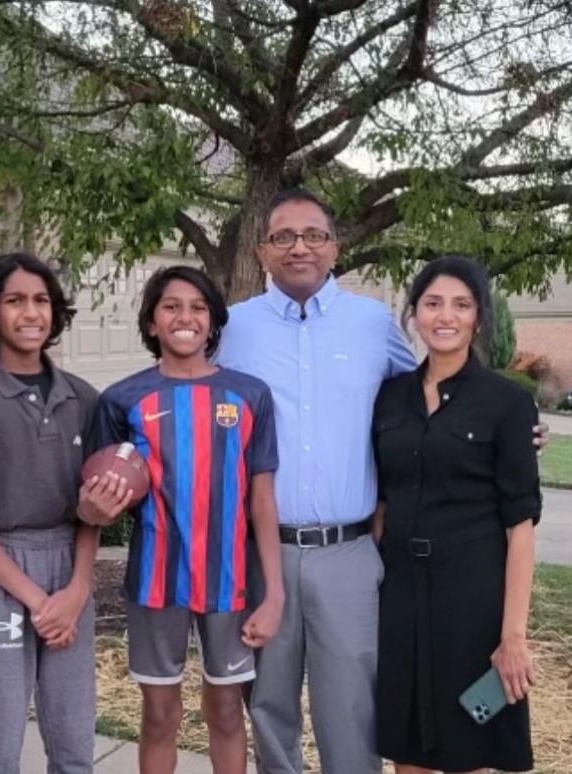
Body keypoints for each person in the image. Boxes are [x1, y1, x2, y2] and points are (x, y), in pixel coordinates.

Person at [217, 189, 547, 774]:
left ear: (335, 248)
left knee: (353, 707)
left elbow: (438, 401)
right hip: (261, 550)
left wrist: (519, 433)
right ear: (263, 249)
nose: (300, 247)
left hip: (349, 552)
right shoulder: (233, 329)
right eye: (284, 237)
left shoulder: (371, 324)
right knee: (267, 705)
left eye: (314, 235)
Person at [0, 253, 128, 773]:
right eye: (14, 300)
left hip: (68, 566)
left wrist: (79, 589)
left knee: (72, 734)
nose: (30, 312)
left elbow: (91, 513)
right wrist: (39, 602)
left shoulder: (84, 399)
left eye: (41, 300)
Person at [85, 265, 285, 774]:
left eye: (198, 308)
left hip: (230, 584)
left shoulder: (250, 395)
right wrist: (101, 501)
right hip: (155, 583)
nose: (185, 317)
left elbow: (262, 499)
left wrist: (276, 591)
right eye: (171, 306)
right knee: (158, 715)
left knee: (225, 710)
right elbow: (102, 496)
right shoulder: (121, 399)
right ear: (151, 322)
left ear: (213, 323)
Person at [372, 255, 539, 773]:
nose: (446, 316)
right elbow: (381, 497)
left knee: (468, 744)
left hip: (471, 598)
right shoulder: (389, 396)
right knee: (407, 749)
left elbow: (521, 527)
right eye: (433, 303)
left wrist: (513, 635)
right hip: (399, 595)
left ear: (479, 318)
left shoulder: (507, 403)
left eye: (461, 305)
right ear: (415, 314)